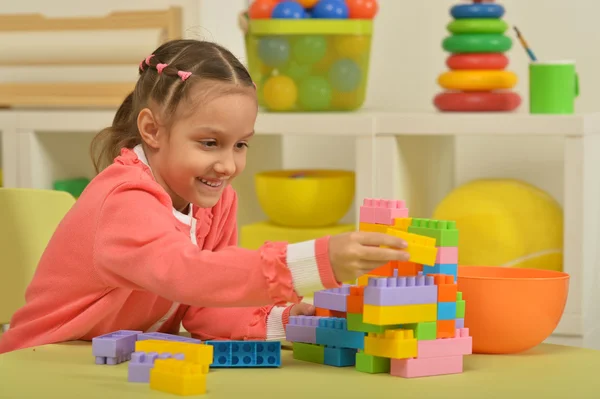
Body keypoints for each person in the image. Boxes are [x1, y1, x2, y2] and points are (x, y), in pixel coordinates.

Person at [0, 39, 408, 354]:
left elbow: (203, 304)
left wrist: (285, 320)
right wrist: (314, 261)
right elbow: (187, 273)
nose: (228, 165)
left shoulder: (214, 202)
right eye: (210, 143)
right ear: (153, 130)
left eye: (240, 145)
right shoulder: (123, 199)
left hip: (111, 365)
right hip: (42, 361)